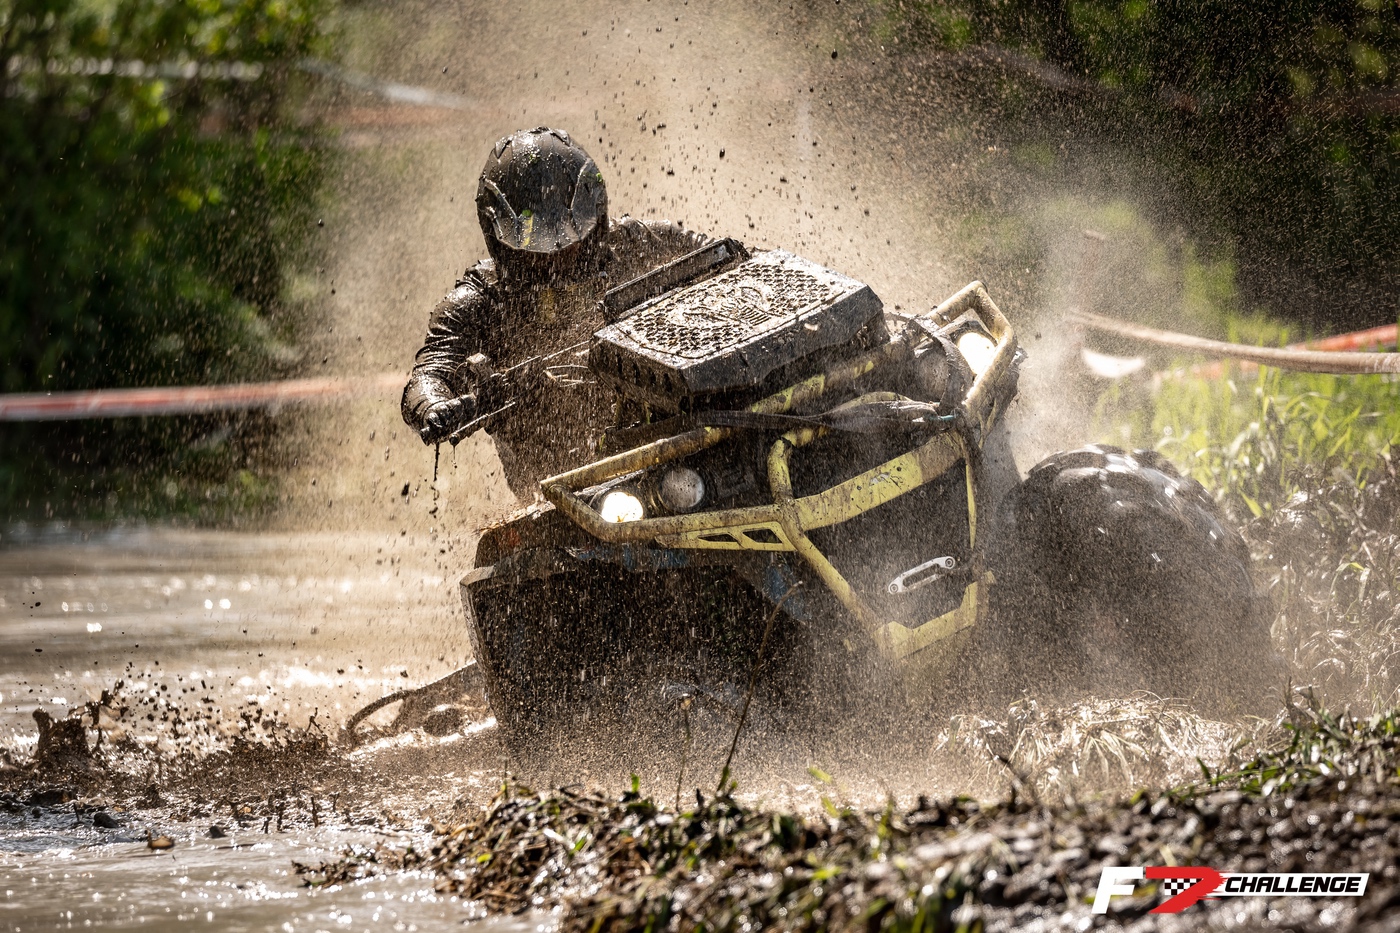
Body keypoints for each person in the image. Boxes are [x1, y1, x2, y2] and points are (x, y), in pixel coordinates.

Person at [401, 126, 711, 497]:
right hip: (558, 495)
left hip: (691, 446)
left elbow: (738, 262)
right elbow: (430, 372)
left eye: (569, 233)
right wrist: (435, 407)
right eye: (534, 241)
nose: (556, 255)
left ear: (596, 215)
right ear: (498, 236)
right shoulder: (478, 301)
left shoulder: (640, 244)